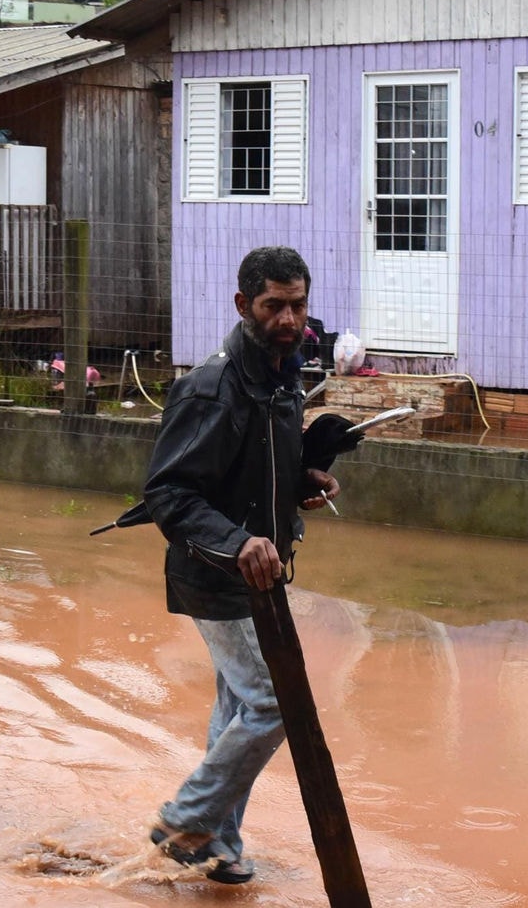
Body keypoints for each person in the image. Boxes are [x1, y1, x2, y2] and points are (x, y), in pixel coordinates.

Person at [138, 244, 363, 884]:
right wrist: (237, 543)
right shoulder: (210, 388)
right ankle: (185, 820)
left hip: (260, 571)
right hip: (216, 572)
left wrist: (304, 481)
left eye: (298, 305)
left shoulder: (282, 372)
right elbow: (170, 495)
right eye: (274, 305)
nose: (290, 318)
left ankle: (219, 847)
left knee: (239, 706)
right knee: (274, 702)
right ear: (244, 306)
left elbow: (255, 471)